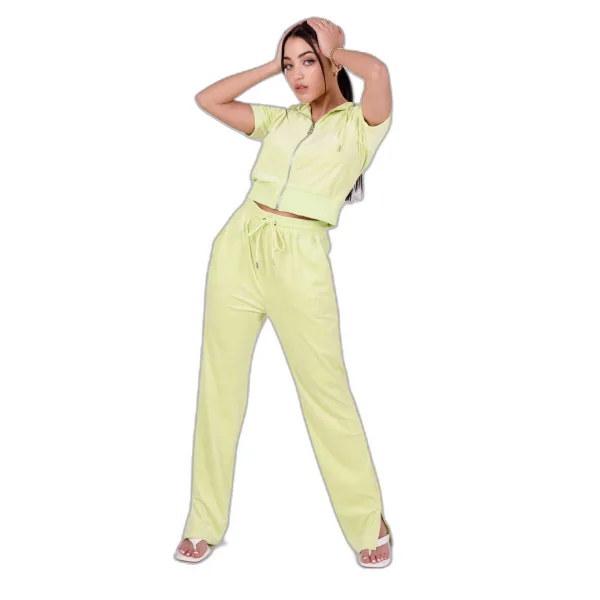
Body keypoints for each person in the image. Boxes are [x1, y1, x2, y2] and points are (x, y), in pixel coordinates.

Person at [175, 17, 394, 568]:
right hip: (238, 245)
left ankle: (366, 522)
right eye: (289, 64)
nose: (297, 75)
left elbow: (378, 73)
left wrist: (336, 51)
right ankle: (203, 521)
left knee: (326, 393)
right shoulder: (282, 119)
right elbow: (208, 99)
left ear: (332, 61)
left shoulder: (361, 125)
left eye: (307, 61)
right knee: (219, 388)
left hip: (300, 258)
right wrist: (272, 65)